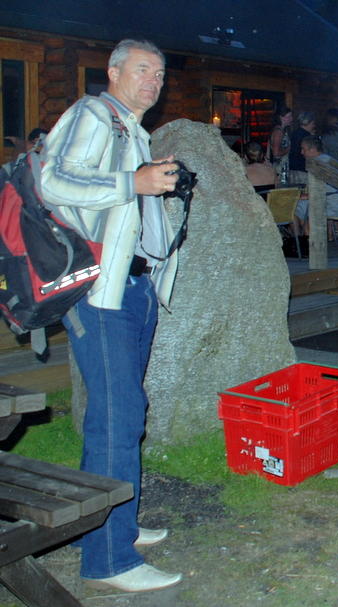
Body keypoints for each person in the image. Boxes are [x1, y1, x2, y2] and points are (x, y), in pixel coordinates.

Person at [39, 39, 183, 592]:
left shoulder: (132, 129)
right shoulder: (93, 113)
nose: (154, 81)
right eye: (143, 69)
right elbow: (53, 181)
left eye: (160, 73)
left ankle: (106, 520)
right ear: (114, 71)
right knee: (121, 417)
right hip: (102, 295)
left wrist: (154, 188)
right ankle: (109, 558)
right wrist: (135, 182)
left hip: (134, 289)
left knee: (114, 418)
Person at [298, 136, 338, 241]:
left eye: (303, 149)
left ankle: (308, 240)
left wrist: (302, 196)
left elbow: (318, 192)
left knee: (297, 205)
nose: (301, 152)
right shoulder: (329, 159)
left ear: (312, 149)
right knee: (302, 203)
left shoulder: (316, 164)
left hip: (331, 205)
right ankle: (316, 237)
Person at [288, 111, 316, 184]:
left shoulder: (295, 133)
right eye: (313, 123)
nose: (314, 126)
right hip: (302, 169)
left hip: (293, 168)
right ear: (309, 123)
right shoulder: (307, 137)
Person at [269, 106, 292, 175]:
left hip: (282, 166)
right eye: (289, 116)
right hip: (279, 168)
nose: (291, 118)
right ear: (281, 117)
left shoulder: (282, 130)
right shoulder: (278, 132)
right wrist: (288, 149)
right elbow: (276, 153)